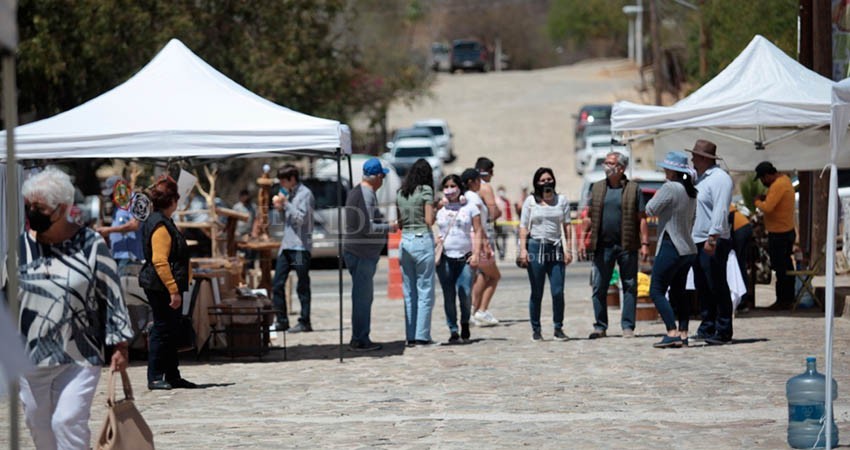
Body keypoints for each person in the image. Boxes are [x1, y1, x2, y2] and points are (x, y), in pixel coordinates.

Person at [14, 167, 133, 448]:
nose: (33, 212)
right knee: (37, 423)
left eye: (40, 207)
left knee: (67, 421)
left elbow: (111, 292)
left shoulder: (90, 244)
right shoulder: (20, 247)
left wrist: (120, 345)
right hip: (31, 354)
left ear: (62, 208)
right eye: (29, 206)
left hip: (80, 351)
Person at [139, 175, 199, 389]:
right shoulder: (160, 225)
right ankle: (155, 376)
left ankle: (172, 375)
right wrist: (173, 290)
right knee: (162, 330)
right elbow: (160, 261)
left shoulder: (163, 221)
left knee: (171, 330)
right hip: (161, 286)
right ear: (172, 201)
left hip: (164, 285)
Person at [581, 151, 649, 339]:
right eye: (606, 162)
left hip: (627, 245)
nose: (606, 166)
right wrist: (582, 240)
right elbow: (589, 217)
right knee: (599, 286)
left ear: (621, 168)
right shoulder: (597, 188)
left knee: (629, 285)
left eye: (610, 163)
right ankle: (600, 326)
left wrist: (645, 243)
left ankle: (628, 326)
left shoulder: (633, 189)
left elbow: (642, 218)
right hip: (603, 246)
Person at [343, 157, 398, 351]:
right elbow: (368, 227)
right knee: (362, 299)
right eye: (382, 177)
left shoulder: (359, 191)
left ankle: (359, 336)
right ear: (377, 176)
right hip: (361, 253)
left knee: (362, 297)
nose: (383, 181)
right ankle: (360, 339)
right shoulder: (366, 194)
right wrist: (390, 227)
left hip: (358, 252)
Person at [644, 152, 698, 348]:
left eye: (667, 168)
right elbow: (692, 219)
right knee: (679, 291)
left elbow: (650, 209)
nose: (664, 171)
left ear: (673, 171)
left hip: (671, 244)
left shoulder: (669, 188)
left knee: (656, 290)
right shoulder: (691, 192)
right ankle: (683, 334)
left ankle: (671, 331)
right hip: (688, 247)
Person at [688, 139, 735, 345]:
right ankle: (707, 326)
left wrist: (713, 236)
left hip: (712, 238)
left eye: (694, 156)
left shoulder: (720, 179)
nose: (692, 159)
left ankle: (723, 329)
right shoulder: (701, 179)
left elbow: (720, 209)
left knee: (717, 284)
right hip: (698, 238)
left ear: (704, 158)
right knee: (703, 285)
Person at [518, 168, 573, 341]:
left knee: (558, 291)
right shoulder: (530, 202)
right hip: (536, 247)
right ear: (536, 183)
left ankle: (558, 327)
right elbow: (523, 226)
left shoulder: (561, 200)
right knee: (537, 291)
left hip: (555, 247)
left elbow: (567, 225)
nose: (546, 182)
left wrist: (569, 249)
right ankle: (536, 329)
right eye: (542, 180)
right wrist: (523, 249)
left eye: (549, 179)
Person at [435, 174, 482, 343]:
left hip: (465, 257)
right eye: (446, 186)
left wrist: (476, 253)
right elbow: (428, 223)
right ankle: (453, 329)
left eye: (452, 186)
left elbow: (478, 230)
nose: (449, 190)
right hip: (445, 257)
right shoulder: (440, 210)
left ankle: (465, 322)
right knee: (448, 295)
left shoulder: (470, 208)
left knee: (465, 292)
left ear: (460, 188)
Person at [396, 159, 436, 346]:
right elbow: (429, 220)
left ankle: (410, 335)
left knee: (409, 291)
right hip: (421, 239)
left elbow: (400, 222)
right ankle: (422, 335)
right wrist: (436, 209)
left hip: (405, 240)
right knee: (425, 290)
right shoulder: (425, 191)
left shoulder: (401, 193)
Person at [271, 164, 315, 333]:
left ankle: (305, 321)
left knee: (302, 285)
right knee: (277, 284)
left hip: (300, 247)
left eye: (283, 181)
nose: (281, 184)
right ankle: (282, 320)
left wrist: (286, 203)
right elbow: (287, 220)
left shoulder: (305, 194)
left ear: (292, 179)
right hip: (287, 245)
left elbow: (301, 219)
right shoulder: (289, 194)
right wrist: (281, 208)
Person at [754, 161, 796, 310]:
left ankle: (783, 300)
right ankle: (788, 298)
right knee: (785, 267)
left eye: (762, 179)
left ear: (767, 175)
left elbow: (768, 207)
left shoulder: (778, 185)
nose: (762, 182)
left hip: (780, 234)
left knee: (781, 269)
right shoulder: (785, 181)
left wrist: (757, 201)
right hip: (785, 231)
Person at [469, 159, 502, 326]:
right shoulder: (485, 187)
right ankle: (480, 310)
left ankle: (473, 310)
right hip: (483, 234)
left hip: (469, 234)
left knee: (481, 274)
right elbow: (494, 212)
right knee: (493, 274)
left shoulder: (468, 190)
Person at [95, 175, 144, 268]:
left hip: (130, 256)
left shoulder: (136, 201)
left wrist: (109, 230)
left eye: (112, 193)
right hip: (117, 255)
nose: (111, 196)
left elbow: (135, 225)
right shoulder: (119, 204)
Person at [729, 203, 753, 311]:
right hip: (744, 226)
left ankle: (741, 300)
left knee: (737, 265)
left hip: (739, 230)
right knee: (740, 265)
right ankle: (743, 299)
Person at [494, 185, 512, 260]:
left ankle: (503, 252)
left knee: (504, 238)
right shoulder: (495, 200)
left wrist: (510, 222)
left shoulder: (506, 201)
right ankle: (499, 250)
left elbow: (509, 212)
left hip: (504, 222)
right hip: (496, 222)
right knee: (496, 238)